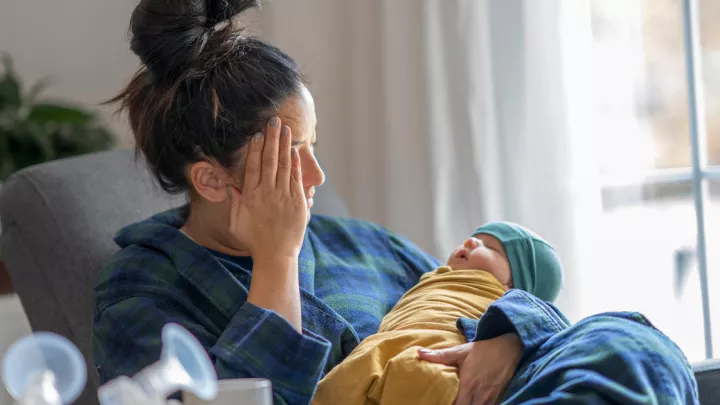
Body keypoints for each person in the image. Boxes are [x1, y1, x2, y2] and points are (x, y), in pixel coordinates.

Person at [92, 0, 699, 404]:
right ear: (212, 180)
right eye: (288, 155)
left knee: (630, 342)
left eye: (315, 144)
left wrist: (508, 337)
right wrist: (275, 261)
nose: (316, 173)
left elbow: (464, 294)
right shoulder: (138, 290)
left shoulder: (361, 242)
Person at [312, 222, 564, 405]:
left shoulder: (511, 298)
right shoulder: (432, 276)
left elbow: (546, 325)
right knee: (340, 384)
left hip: (442, 345)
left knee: (426, 378)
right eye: (474, 237)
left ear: (514, 283)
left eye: (491, 247)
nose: (470, 241)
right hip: (387, 344)